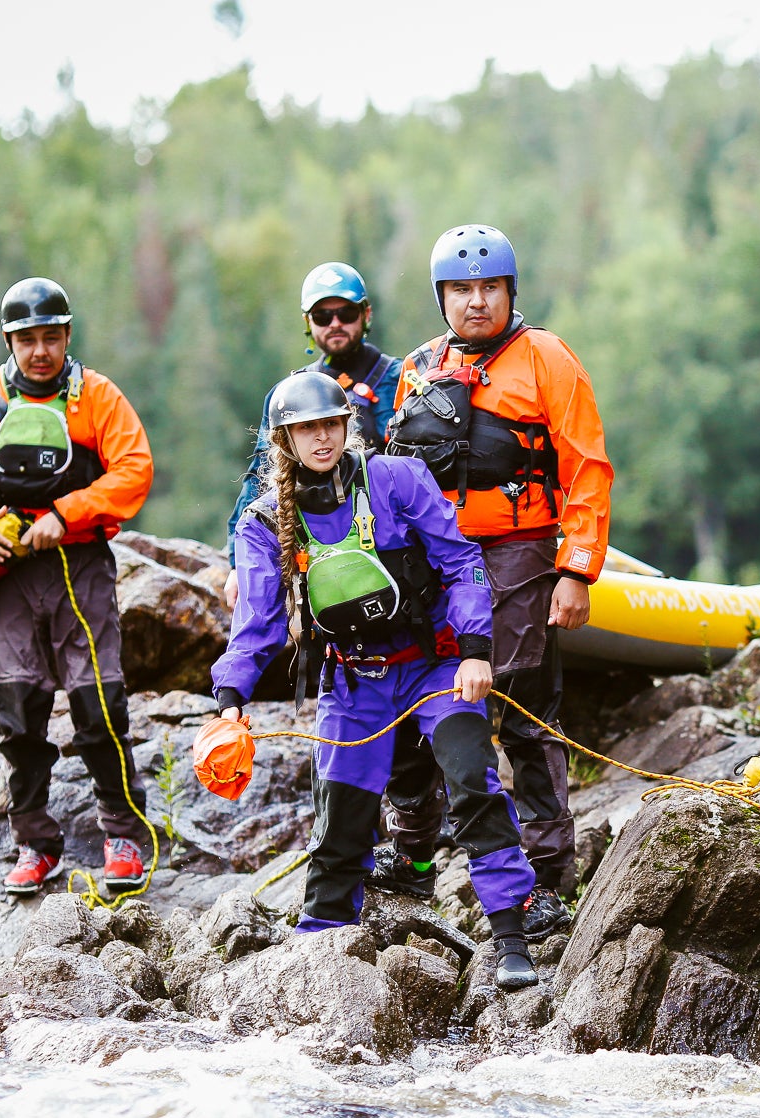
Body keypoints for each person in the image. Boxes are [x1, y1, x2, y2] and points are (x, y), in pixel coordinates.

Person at [211, 370, 543, 988]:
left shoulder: (396, 480)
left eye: (330, 425)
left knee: (471, 778)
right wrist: (230, 702)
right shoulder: (262, 523)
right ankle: (323, 945)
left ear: (347, 426)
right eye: (305, 429)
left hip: (436, 665)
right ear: (283, 441)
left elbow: (462, 560)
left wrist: (476, 650)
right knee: (342, 819)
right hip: (354, 681)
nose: (321, 439)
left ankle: (511, 934)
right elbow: (256, 621)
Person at [370, 224, 612, 935]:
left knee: (524, 711)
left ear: (510, 291)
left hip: (521, 554)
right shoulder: (420, 367)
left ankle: (549, 879)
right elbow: (393, 472)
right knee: (414, 697)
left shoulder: (546, 358)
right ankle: (414, 853)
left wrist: (576, 570)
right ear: (442, 296)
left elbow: (587, 467)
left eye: (489, 289)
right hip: (434, 563)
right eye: (462, 291)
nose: (476, 302)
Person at [0, 277, 156, 895]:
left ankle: (123, 836)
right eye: (28, 340)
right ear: (9, 340)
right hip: (6, 571)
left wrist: (68, 513)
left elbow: (135, 471)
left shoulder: (97, 397)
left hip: (79, 567)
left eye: (51, 337)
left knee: (97, 702)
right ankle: (33, 842)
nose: (41, 351)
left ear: (68, 335)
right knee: (16, 711)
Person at [223, 262, 400, 609]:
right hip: (316, 538)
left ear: (366, 314)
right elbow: (262, 474)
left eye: (346, 312)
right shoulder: (289, 395)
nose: (335, 323)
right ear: (308, 322)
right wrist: (235, 562)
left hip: (392, 534)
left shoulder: (402, 376)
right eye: (322, 316)